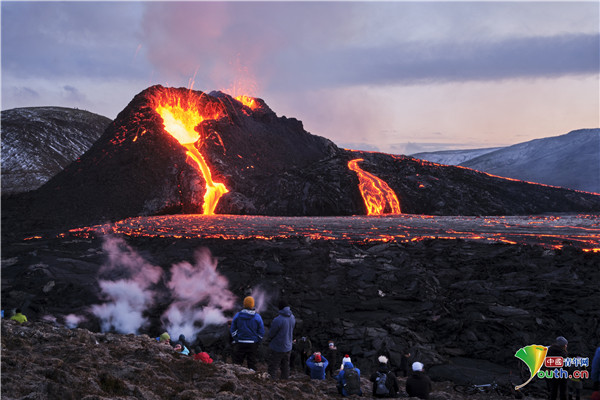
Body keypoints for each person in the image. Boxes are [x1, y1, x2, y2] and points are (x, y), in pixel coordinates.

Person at [230, 296, 264, 371]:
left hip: (240, 342)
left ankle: (236, 377)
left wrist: (236, 338)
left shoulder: (238, 315)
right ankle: (252, 379)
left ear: (244, 304)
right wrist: (258, 340)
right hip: (252, 343)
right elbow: (261, 331)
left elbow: (233, 329)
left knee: (237, 363)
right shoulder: (257, 317)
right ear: (252, 304)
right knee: (251, 363)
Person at [267, 300, 296, 379]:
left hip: (278, 347)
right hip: (288, 346)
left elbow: (271, 333)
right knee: (285, 367)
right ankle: (284, 382)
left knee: (273, 367)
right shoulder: (292, 317)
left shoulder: (278, 320)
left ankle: (271, 383)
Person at [547, 336, 569, 400]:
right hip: (562, 374)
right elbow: (566, 365)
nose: (566, 346)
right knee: (563, 392)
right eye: (565, 344)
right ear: (562, 345)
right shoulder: (563, 353)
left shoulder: (550, 350)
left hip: (552, 373)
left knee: (553, 391)